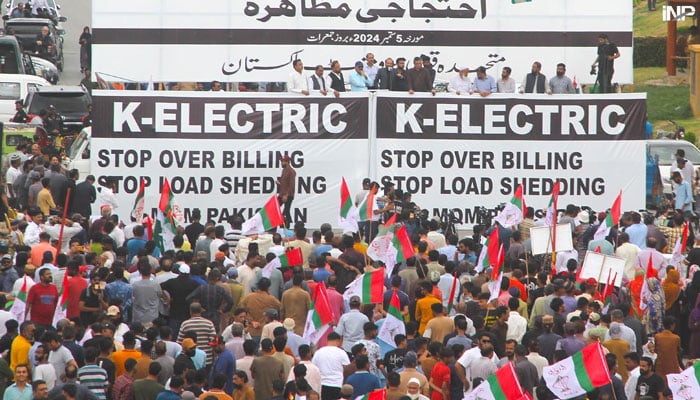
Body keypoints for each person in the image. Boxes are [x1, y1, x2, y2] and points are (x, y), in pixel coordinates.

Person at [312, 332, 350, 400]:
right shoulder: (342, 353)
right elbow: (347, 368)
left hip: (322, 384)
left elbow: (314, 368)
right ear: (338, 341)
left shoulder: (318, 352)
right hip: (337, 384)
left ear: (327, 340)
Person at [276, 154, 296, 228]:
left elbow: (291, 185)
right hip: (282, 194)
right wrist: (279, 183)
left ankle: (287, 226)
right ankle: (285, 224)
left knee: (286, 210)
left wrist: (286, 195)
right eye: (281, 161)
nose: (281, 163)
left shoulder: (291, 171)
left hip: (287, 195)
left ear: (287, 162)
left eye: (283, 161)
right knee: (280, 209)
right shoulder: (284, 170)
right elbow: (285, 184)